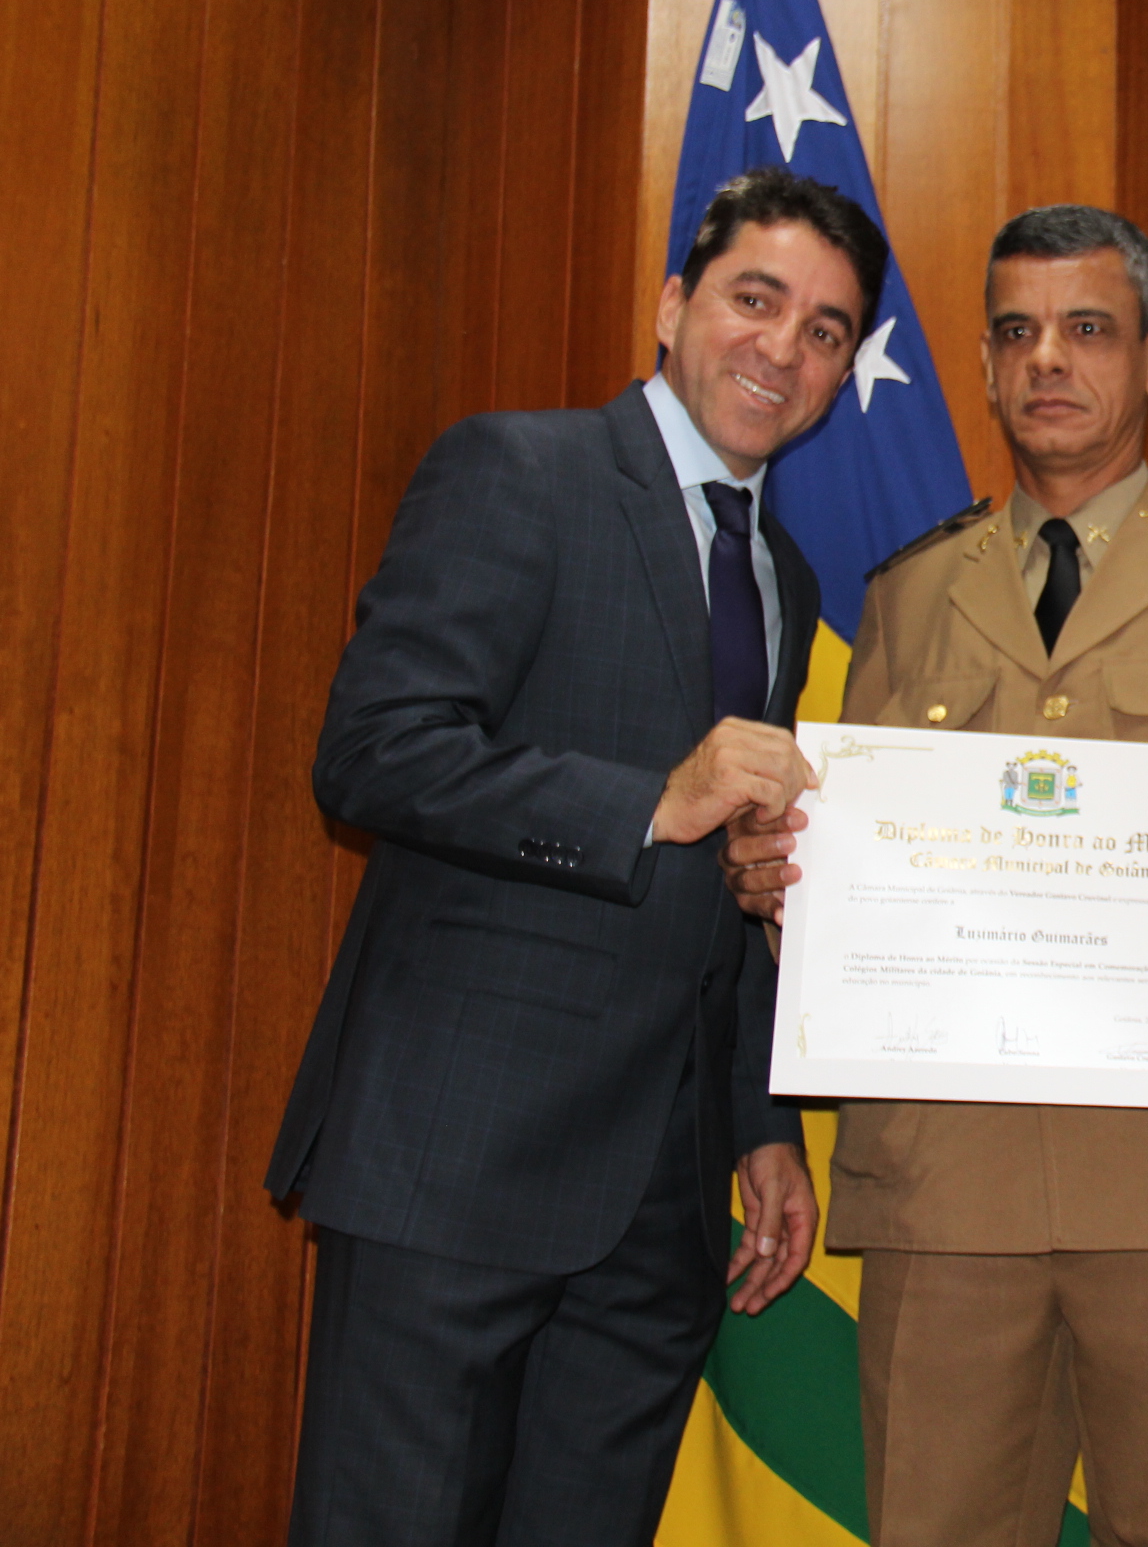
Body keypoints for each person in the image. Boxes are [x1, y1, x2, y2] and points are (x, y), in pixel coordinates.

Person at [722, 204, 1148, 1547]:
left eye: (1088, 328)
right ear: (983, 367)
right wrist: (785, 888)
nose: (1048, 359)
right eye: (1018, 332)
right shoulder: (908, 595)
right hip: (949, 1188)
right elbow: (862, 881)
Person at [266, 167, 879, 1547]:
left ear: (845, 375)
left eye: (825, 329)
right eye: (755, 299)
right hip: (457, 1162)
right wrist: (648, 802)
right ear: (672, 306)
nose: (782, 348)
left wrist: (760, 1124)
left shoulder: (784, 579)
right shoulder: (518, 470)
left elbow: (740, 873)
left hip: (661, 1211)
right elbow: (372, 751)